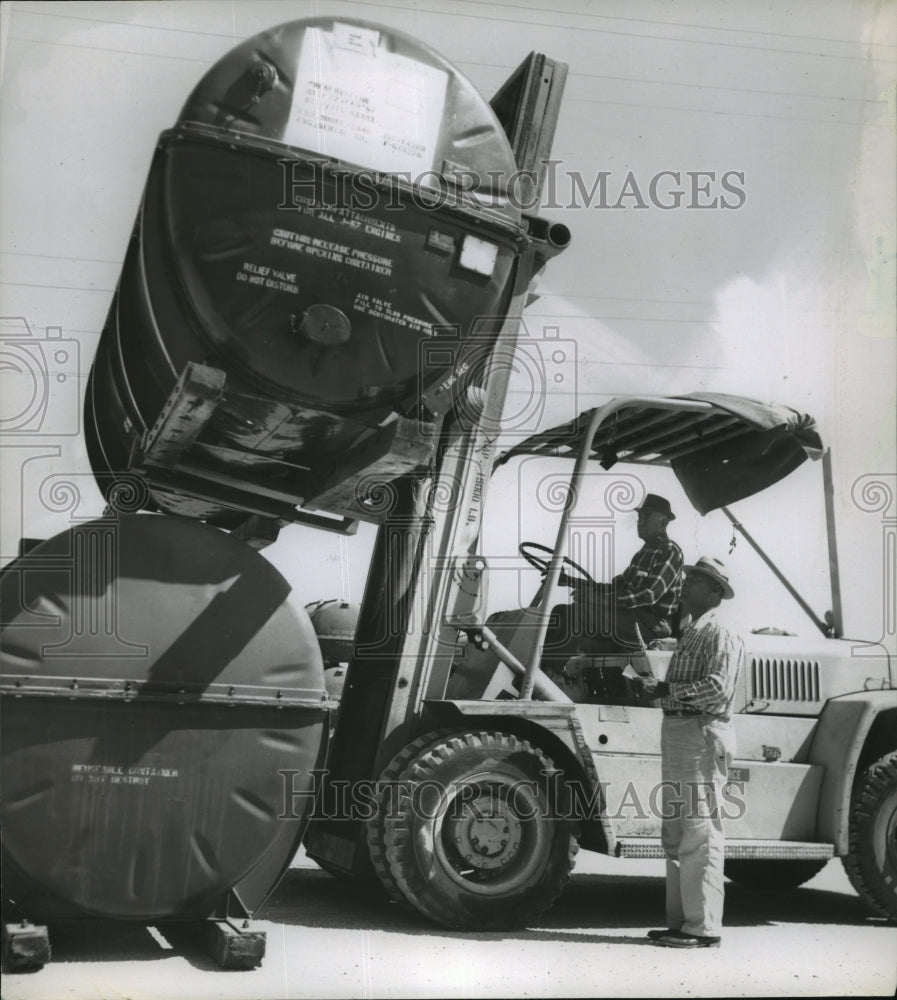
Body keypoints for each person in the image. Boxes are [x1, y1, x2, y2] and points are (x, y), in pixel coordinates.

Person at [633, 555, 745, 949]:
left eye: (697, 580)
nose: (686, 584)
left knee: (699, 831)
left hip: (700, 730)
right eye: (689, 578)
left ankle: (703, 927)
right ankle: (683, 924)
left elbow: (718, 687)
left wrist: (667, 691)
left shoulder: (720, 631)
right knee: (679, 830)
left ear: (715, 591)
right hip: (683, 729)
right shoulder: (695, 630)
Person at [542, 493, 684, 669]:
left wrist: (596, 599)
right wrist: (570, 580)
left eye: (647, 516)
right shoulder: (643, 553)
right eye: (640, 516)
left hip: (653, 622)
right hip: (633, 616)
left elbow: (648, 595)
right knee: (560, 611)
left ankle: (547, 674)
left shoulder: (669, 551)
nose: (640, 521)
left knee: (578, 615)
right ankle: (537, 670)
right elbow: (616, 587)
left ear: (663, 523)